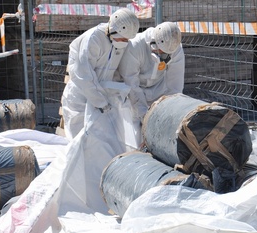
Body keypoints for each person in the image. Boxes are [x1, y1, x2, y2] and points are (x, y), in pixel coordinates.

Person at [61, 8, 140, 140]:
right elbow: (83, 75)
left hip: (103, 98)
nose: (124, 43)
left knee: (101, 143)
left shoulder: (121, 41)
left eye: (126, 40)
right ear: (112, 30)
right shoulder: (93, 39)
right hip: (80, 97)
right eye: (121, 39)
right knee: (79, 140)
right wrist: (100, 102)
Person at [117, 21, 185, 123]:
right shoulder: (135, 46)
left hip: (158, 90)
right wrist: (144, 115)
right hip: (134, 92)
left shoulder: (176, 49)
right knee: (135, 127)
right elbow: (131, 83)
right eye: (162, 52)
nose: (164, 56)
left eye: (167, 53)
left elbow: (175, 86)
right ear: (154, 43)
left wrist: (172, 111)